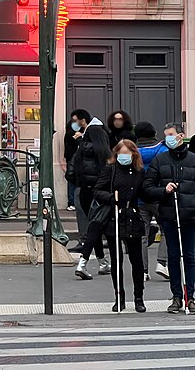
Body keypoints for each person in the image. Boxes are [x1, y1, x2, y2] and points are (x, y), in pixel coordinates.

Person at [142, 122, 195, 314]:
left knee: (190, 257)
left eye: (171, 135)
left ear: (181, 136)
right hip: (169, 215)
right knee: (173, 257)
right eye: (166, 135)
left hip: (190, 216)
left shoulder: (193, 160)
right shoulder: (160, 160)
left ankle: (191, 296)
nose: (168, 139)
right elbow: (147, 187)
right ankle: (176, 296)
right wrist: (163, 190)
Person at [93, 140, 147, 312]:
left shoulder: (139, 172)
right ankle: (119, 296)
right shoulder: (111, 169)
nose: (124, 157)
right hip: (114, 217)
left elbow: (145, 192)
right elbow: (97, 190)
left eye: (128, 153)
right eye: (121, 153)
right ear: (116, 154)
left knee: (136, 260)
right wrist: (110, 197)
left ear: (134, 154)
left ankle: (139, 298)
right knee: (117, 260)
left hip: (132, 216)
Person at [71, 108, 112, 279]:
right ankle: (84, 262)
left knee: (93, 226)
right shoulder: (103, 154)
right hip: (100, 192)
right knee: (96, 228)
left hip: (85, 191)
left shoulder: (82, 149)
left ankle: (102, 262)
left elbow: (73, 171)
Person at [135, 121, 168, 281]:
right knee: (166, 230)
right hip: (159, 195)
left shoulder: (133, 151)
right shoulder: (162, 150)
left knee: (142, 235)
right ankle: (162, 262)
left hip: (140, 197)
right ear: (154, 133)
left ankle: (142, 270)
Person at [64, 121, 79, 212]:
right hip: (73, 160)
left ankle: (73, 202)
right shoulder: (70, 134)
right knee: (72, 182)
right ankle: (72, 202)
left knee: (72, 182)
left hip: (73, 159)